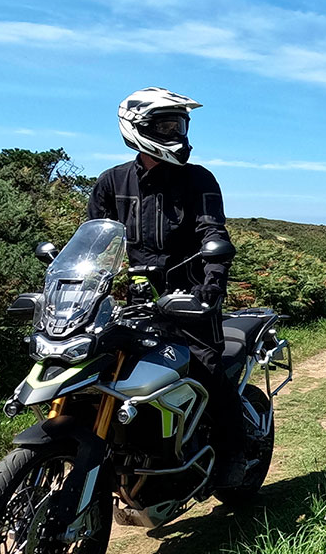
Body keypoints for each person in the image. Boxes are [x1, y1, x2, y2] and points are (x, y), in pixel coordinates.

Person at [87, 87, 246, 487]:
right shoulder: (112, 181)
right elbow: (93, 241)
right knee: (104, 368)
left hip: (189, 295)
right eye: (165, 125)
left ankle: (234, 452)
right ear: (137, 128)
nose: (175, 131)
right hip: (134, 297)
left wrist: (210, 289)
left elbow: (213, 231)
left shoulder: (198, 179)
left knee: (205, 367)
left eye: (178, 123)